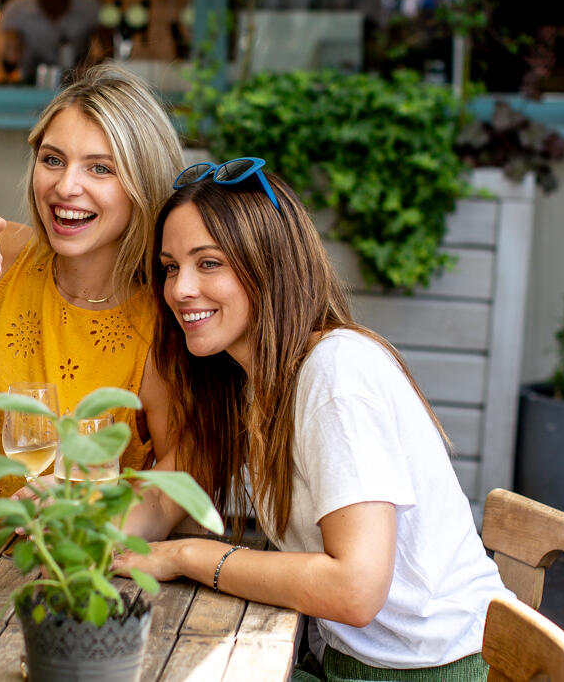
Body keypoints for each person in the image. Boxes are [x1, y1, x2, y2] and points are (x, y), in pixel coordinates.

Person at [117, 159, 514, 681]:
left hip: (431, 670)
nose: (180, 289)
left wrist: (189, 556)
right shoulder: (248, 379)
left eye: (208, 263)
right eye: (171, 267)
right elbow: (168, 495)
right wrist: (79, 522)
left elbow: (354, 589)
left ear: (270, 265)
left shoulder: (336, 374)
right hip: (342, 660)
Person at [0, 63, 184, 519]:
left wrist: (104, 515)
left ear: (143, 183)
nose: (65, 186)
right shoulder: (0, 250)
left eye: (100, 168)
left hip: (69, 564)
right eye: (53, 160)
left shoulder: (162, 324)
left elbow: (180, 478)